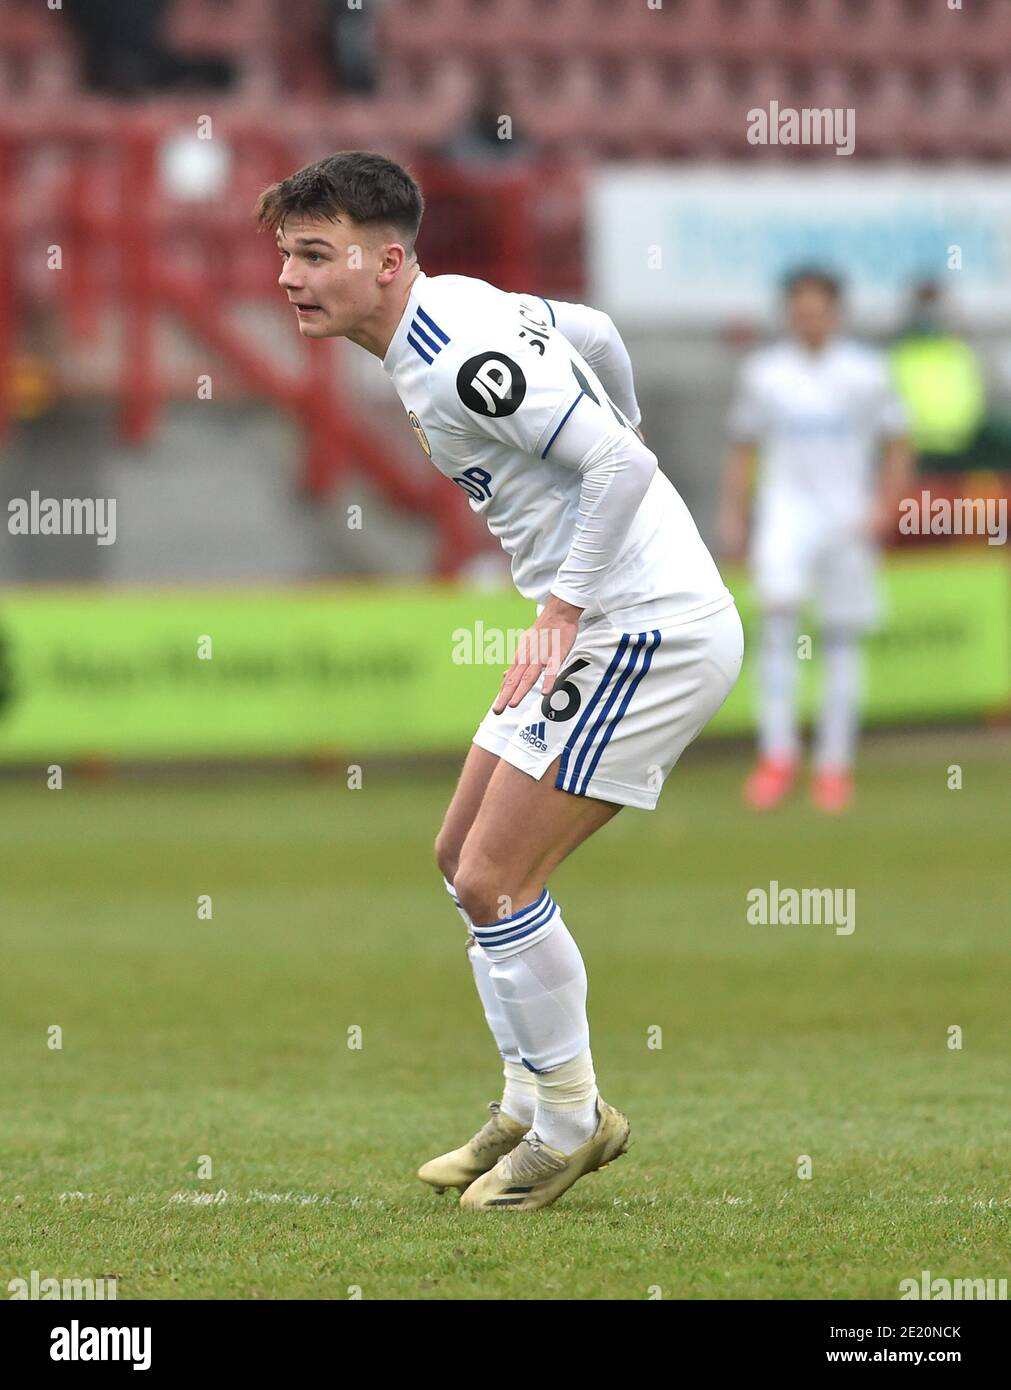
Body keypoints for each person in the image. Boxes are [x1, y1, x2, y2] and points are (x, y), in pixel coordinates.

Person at [254, 151, 743, 1211]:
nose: (290, 277)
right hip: (604, 619)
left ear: (387, 262)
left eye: (314, 254)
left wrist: (563, 604)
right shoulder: (458, 306)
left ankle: (572, 1122)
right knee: (457, 857)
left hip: (645, 627)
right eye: (287, 254)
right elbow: (601, 335)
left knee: (493, 879)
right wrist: (625, 422)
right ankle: (529, 1096)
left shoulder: (459, 348)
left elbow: (620, 467)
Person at [719, 269, 913, 814]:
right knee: (778, 630)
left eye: (818, 308)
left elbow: (899, 440)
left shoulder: (867, 372)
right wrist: (735, 515)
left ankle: (834, 764)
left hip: (847, 518)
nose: (809, 318)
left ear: (835, 311)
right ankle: (777, 755)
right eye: (799, 309)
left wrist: (886, 507)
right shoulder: (765, 373)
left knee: (841, 640)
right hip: (785, 518)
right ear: (789, 313)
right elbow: (743, 447)